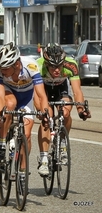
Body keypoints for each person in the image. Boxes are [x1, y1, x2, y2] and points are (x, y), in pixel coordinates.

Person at [0, 42, 50, 177]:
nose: (3, 71)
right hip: (9, 93)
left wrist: (46, 113)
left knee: (27, 134)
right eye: (1, 68)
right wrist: (0, 114)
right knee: (10, 104)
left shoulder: (31, 66)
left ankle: (23, 170)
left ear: (16, 64)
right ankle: (1, 143)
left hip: (26, 97)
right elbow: (0, 96)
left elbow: (41, 95)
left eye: (6, 68)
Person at [34, 43, 91, 171]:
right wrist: (40, 110)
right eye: (53, 67)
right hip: (44, 91)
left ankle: (63, 141)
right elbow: (36, 95)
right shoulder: (37, 66)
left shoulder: (71, 65)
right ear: (46, 64)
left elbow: (77, 91)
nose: (57, 70)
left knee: (65, 112)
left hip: (61, 89)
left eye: (59, 66)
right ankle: (43, 158)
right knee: (46, 119)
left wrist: (81, 110)